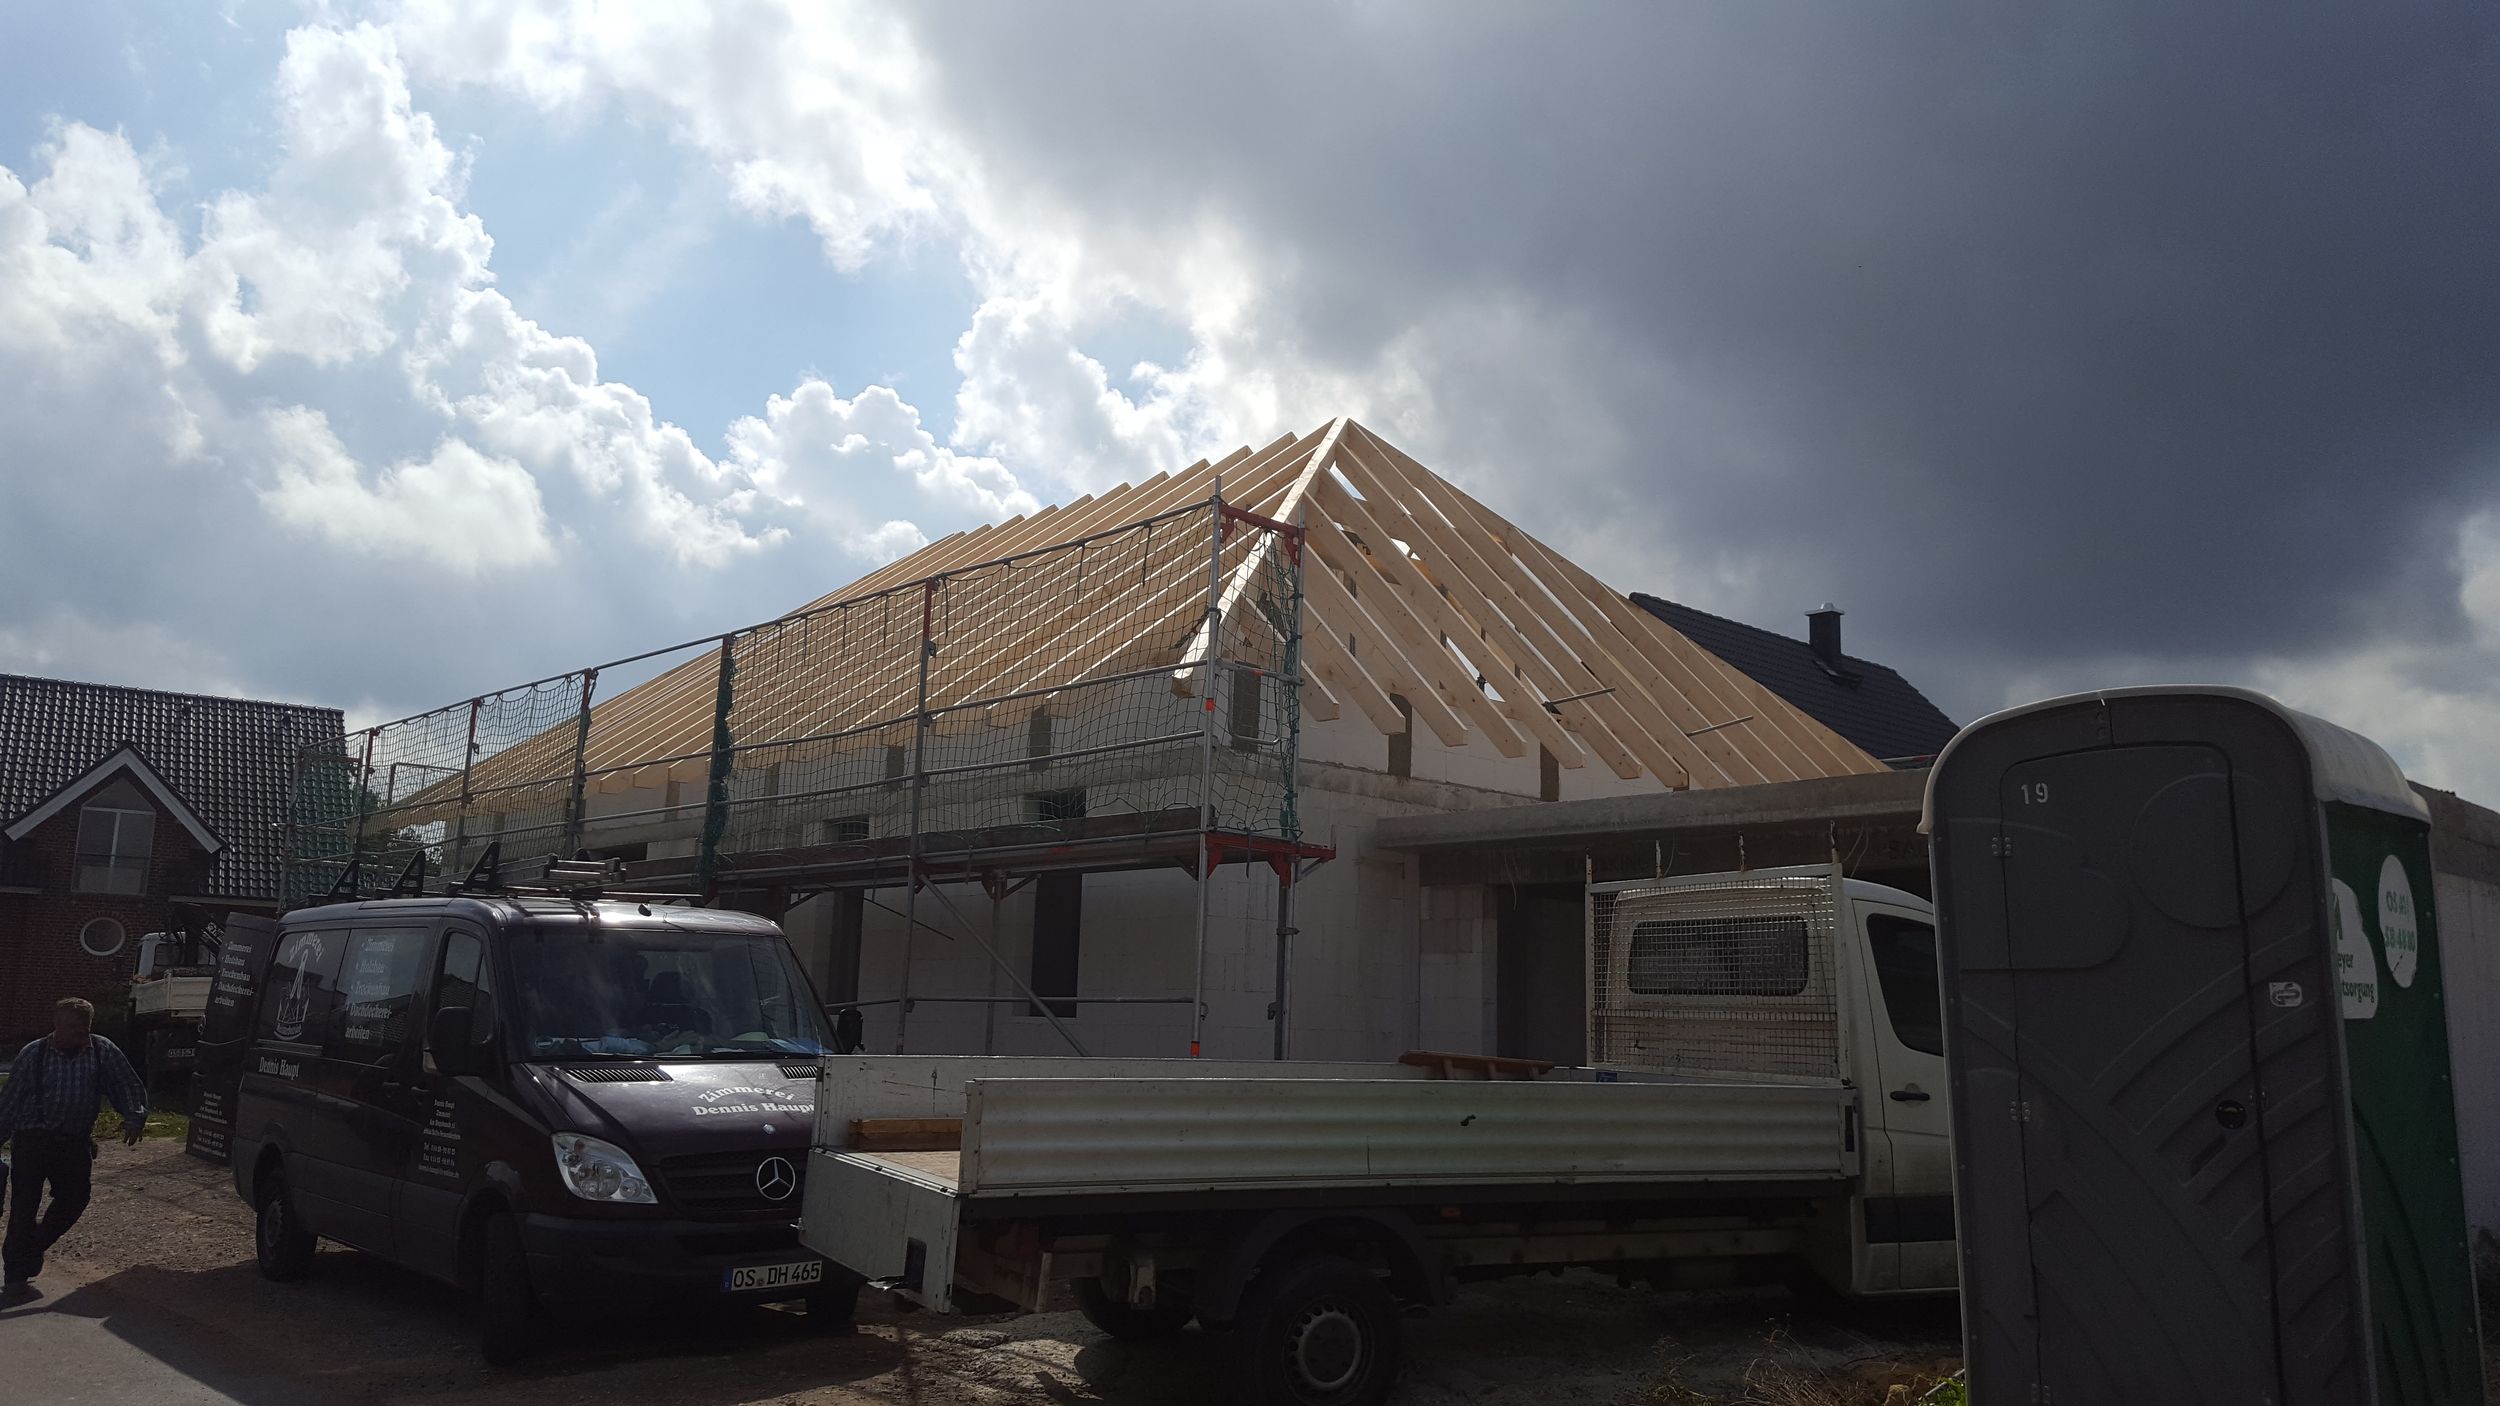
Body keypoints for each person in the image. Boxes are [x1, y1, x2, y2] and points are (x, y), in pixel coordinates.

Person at [0, 996, 148, 1306]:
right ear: (56, 1024)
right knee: (24, 1207)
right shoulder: (33, 1054)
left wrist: (134, 1117)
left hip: (74, 1142)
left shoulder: (102, 1050)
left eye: (85, 1026)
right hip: (32, 1141)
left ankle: (32, 1247)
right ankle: (15, 1277)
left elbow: (126, 1085)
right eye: (72, 1026)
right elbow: (10, 1101)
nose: (80, 1031)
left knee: (75, 1199)